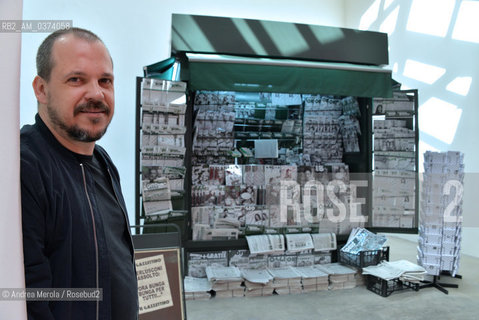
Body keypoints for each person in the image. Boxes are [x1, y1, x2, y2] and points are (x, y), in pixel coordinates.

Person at [20, 27, 138, 319]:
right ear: (42, 89)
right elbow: (29, 296)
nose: (96, 93)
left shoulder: (102, 161)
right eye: (77, 79)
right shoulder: (23, 167)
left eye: (105, 81)